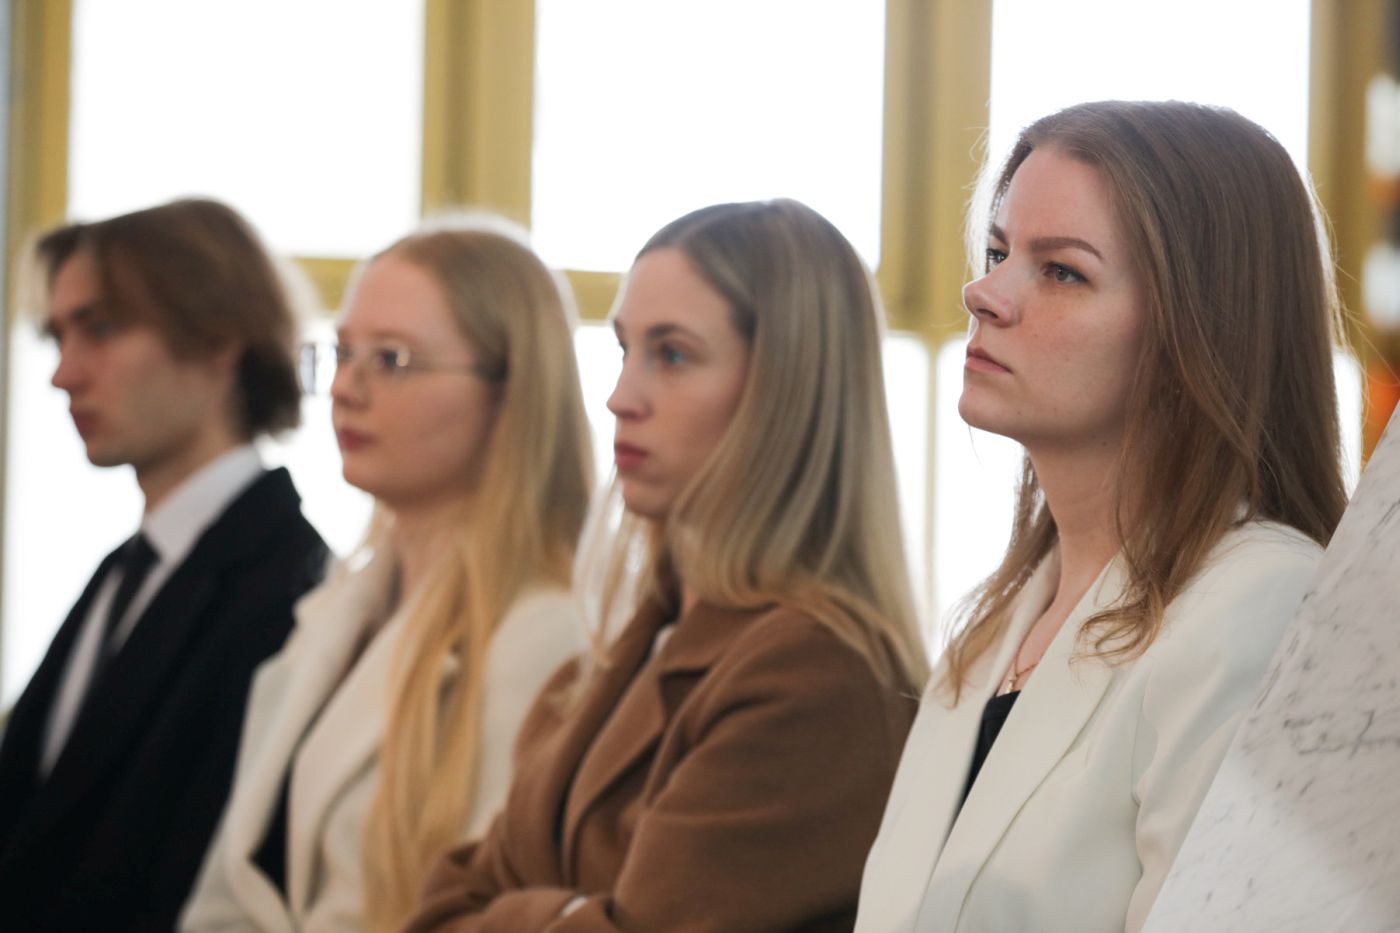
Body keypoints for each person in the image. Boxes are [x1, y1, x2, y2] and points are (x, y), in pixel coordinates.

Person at [854, 100, 1348, 933]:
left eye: (1061, 271)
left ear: (1198, 329)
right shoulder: (992, 627)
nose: (982, 292)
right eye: (999, 252)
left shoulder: (1261, 603)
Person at [403, 199, 930, 933]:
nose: (621, 397)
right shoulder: (625, 650)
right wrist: (573, 915)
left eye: (672, 355)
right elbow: (438, 908)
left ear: (785, 390)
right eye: (624, 349)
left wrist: (519, 909)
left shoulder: (816, 676)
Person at [181, 218, 594, 933]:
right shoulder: (340, 603)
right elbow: (234, 884)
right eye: (343, 353)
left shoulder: (547, 635)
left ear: (511, 391)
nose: (346, 388)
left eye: (393, 359)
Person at [0, 198, 329, 932]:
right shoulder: (125, 570)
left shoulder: (293, 590)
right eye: (57, 335)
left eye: (100, 329)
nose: (63, 373)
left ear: (218, 337)